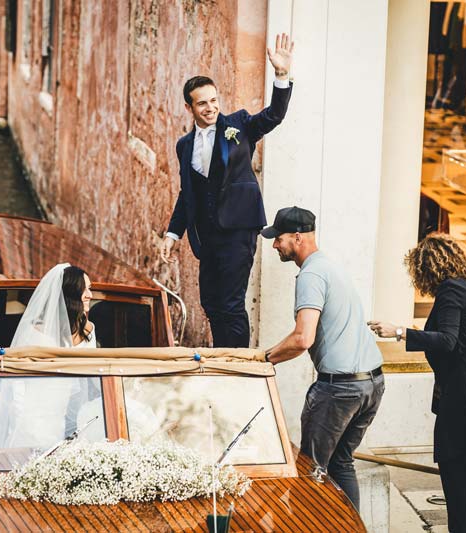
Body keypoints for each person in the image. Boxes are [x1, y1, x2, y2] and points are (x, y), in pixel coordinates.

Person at [159, 33, 295, 348]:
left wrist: (282, 75)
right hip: (206, 237)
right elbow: (187, 193)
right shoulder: (185, 145)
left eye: (213, 100)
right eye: (202, 103)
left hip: (238, 230)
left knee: (232, 304)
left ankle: (237, 366)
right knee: (211, 302)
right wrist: (173, 233)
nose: (210, 108)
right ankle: (222, 356)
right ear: (189, 107)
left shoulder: (240, 125)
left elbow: (273, 115)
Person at [369, 233, 466, 533]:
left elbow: (447, 340)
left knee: (456, 474)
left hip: (465, 393)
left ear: (427, 267)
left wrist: (400, 332)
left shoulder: (451, 290)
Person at [262, 206, 384, 510]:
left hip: (339, 389)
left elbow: (303, 338)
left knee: (310, 471)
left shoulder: (311, 274)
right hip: (372, 384)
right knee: (342, 464)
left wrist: (265, 358)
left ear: (297, 237)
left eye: (278, 238)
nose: (274, 244)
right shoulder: (331, 266)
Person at [0, 264, 97, 450]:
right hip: (31, 418)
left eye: (90, 289)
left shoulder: (88, 330)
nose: (90, 295)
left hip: (64, 416)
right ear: (70, 293)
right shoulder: (35, 332)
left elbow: (90, 378)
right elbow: (16, 380)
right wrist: (19, 419)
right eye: (86, 289)